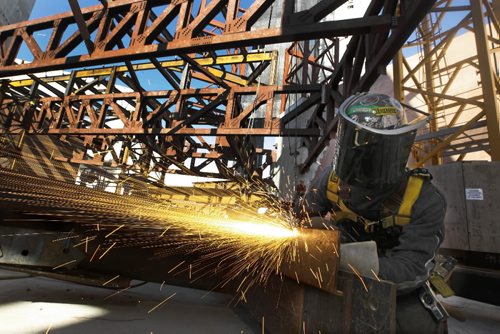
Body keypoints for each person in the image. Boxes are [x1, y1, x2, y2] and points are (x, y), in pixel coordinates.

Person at [301, 92, 448, 333]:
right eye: (357, 146)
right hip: (339, 257)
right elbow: (304, 216)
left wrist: (347, 261)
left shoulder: (423, 198)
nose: (360, 158)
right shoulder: (333, 178)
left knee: (418, 324)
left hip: (391, 276)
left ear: (393, 148)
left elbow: (410, 269)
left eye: (370, 149)